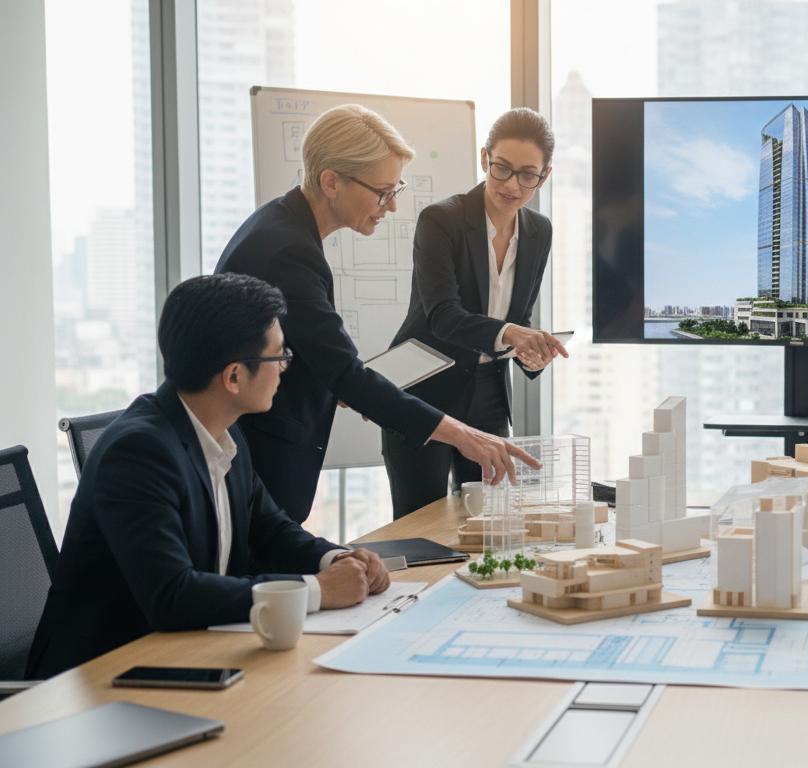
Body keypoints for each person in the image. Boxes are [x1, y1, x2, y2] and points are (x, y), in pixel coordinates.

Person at [27, 274, 390, 678]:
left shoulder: (225, 429)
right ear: (234, 376)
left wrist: (337, 558)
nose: (286, 368)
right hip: (102, 680)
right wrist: (319, 590)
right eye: (279, 356)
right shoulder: (138, 454)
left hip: (191, 654)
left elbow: (269, 529)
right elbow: (172, 594)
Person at [215, 104, 539, 523]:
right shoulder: (287, 251)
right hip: (260, 457)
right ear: (331, 182)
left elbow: (320, 357)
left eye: (395, 191)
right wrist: (463, 435)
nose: (390, 207)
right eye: (382, 192)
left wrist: (351, 384)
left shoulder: (280, 225)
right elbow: (343, 372)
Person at [382, 108, 568, 518]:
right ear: (484, 158)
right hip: (426, 389)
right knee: (422, 524)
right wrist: (512, 334)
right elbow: (443, 316)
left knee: (489, 523)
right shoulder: (442, 220)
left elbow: (520, 314)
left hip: (488, 395)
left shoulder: (539, 231)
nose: (511, 184)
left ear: (544, 176)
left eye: (527, 175)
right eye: (501, 168)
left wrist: (530, 352)